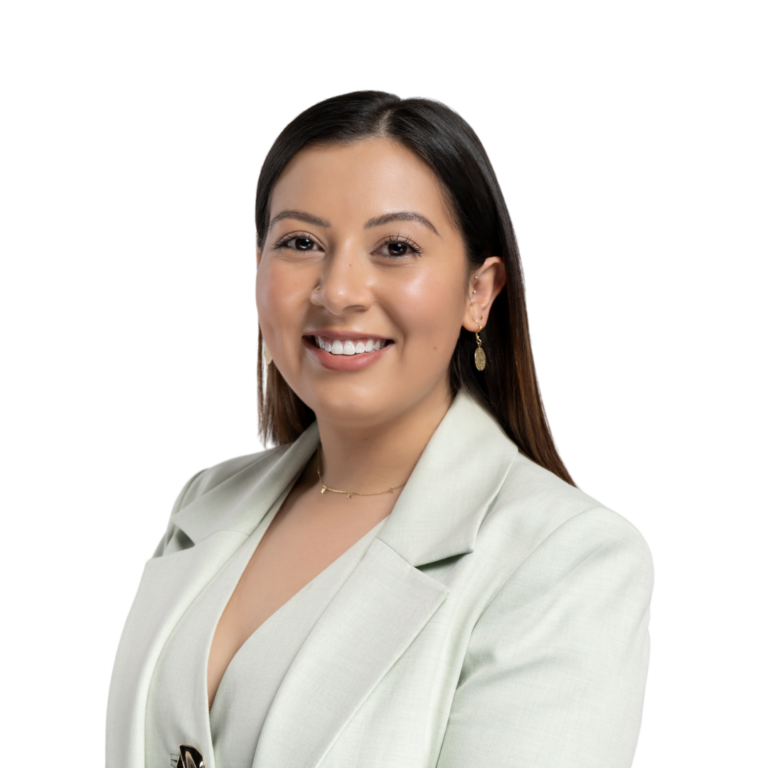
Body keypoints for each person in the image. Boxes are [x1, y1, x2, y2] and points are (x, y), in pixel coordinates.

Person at [104, 90, 655, 768]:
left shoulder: (568, 558)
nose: (338, 291)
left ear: (478, 292)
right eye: (301, 242)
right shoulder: (205, 499)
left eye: (395, 246)